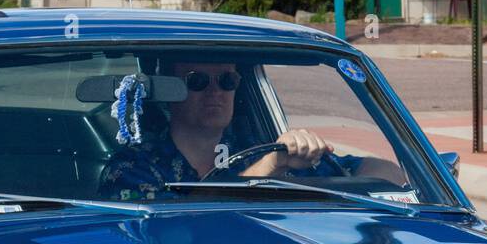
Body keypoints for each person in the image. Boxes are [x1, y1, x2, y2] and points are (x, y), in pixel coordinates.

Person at [98, 60, 406, 202]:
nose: (215, 92)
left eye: (227, 81)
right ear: (171, 91)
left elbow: (384, 175)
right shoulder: (132, 168)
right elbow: (182, 227)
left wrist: (308, 151)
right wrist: (271, 168)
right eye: (197, 81)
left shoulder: (264, 152)